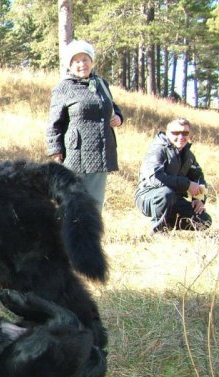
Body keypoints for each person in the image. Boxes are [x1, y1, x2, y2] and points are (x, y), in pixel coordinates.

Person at [46, 40, 123, 213]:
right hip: (75, 154)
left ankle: (89, 238)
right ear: (70, 65)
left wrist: (118, 117)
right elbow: (54, 122)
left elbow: (111, 106)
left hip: (101, 152)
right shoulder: (64, 88)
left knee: (95, 204)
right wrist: (55, 150)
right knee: (71, 202)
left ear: (92, 61)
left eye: (85, 59)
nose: (82, 64)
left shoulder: (101, 84)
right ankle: (65, 238)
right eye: (77, 61)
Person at [135, 118, 212, 233]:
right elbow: (156, 178)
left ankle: (167, 223)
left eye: (185, 133)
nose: (181, 136)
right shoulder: (158, 150)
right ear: (167, 133)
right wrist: (187, 185)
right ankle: (159, 231)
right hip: (149, 196)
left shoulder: (188, 154)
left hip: (174, 199)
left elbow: (198, 176)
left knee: (204, 221)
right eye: (176, 133)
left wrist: (199, 198)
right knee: (167, 194)